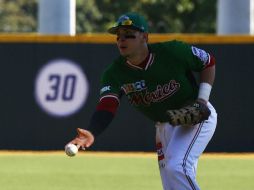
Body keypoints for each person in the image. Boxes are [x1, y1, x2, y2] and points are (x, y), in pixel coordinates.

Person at [66, 12, 217, 190]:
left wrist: (202, 100)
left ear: (144, 37)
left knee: (176, 167)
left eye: (129, 34)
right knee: (171, 183)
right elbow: (107, 106)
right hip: (164, 127)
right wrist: (92, 132)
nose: (122, 40)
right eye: (118, 36)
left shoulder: (172, 51)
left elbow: (208, 62)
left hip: (196, 116)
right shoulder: (115, 73)